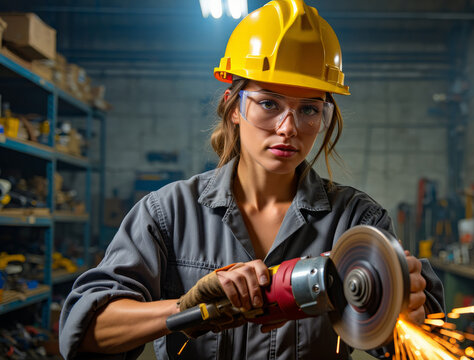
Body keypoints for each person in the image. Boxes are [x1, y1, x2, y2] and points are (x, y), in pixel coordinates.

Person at [59, 0, 444, 359]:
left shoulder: (357, 221)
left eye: (309, 109)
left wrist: (408, 301)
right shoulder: (167, 213)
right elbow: (84, 332)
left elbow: (412, 343)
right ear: (234, 107)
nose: (288, 128)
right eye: (269, 103)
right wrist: (186, 309)